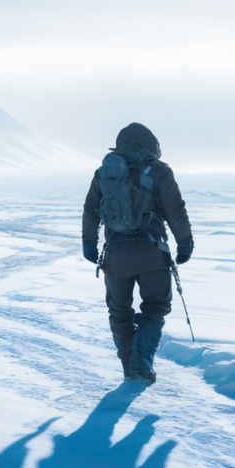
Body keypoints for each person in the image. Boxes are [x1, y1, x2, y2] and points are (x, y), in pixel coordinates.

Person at [82, 122, 192, 384]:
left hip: (115, 255)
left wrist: (89, 244)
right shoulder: (159, 172)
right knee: (156, 307)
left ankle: (129, 366)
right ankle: (141, 360)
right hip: (152, 253)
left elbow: (90, 210)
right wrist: (185, 243)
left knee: (119, 311)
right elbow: (175, 210)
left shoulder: (105, 173)